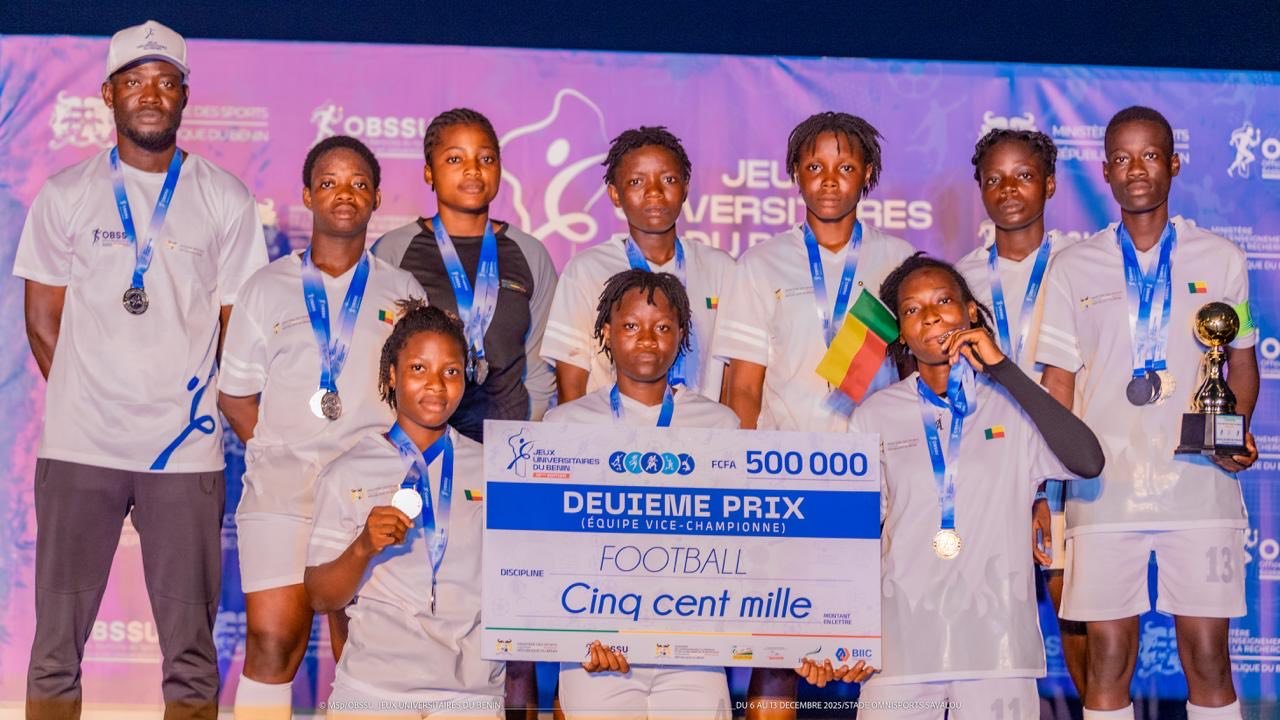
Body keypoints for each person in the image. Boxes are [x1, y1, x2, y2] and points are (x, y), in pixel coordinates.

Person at [13, 20, 268, 719]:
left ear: (185, 95)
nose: (150, 95)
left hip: (184, 451)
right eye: (134, 81)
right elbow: (42, 323)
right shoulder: (65, 193)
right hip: (80, 447)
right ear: (108, 94)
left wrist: (181, 405)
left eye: (165, 81)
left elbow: (238, 327)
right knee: (55, 649)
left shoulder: (224, 197)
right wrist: (93, 398)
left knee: (191, 654)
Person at [1037, 106, 1259, 720]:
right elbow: (1059, 386)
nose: (1137, 169)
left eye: (1151, 155)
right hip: (1104, 490)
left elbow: (1241, 365)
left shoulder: (1222, 258)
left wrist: (1232, 433)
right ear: (1106, 171)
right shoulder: (1072, 266)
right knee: (1108, 658)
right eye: (1123, 158)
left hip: (1198, 485)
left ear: (1174, 164)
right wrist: (1050, 490)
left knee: (1209, 657)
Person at [813, 254, 1104, 719]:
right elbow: (856, 535)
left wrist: (1002, 368)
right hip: (901, 649)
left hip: (998, 651)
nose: (929, 316)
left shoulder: (1013, 406)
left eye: (943, 301)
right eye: (912, 309)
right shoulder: (875, 415)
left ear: (971, 312)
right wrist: (840, 625)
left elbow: (1088, 461)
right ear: (901, 332)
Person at [712, 111, 914, 716]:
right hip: (786, 482)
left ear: (868, 174)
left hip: (878, 479)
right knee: (779, 653)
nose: (830, 180)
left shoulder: (899, 262)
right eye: (815, 166)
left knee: (886, 646)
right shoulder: (760, 264)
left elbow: (915, 378)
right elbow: (743, 388)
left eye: (845, 167)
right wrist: (738, 477)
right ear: (795, 174)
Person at [219, 136, 424, 718]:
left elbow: (414, 400)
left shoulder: (403, 292)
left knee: (363, 654)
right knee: (272, 644)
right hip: (282, 496)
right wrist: (284, 450)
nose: (345, 194)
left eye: (359, 184)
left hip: (369, 496)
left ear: (376, 198)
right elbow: (235, 396)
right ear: (308, 196)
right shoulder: (265, 288)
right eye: (329, 182)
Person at [546, 269, 737, 719]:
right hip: (597, 647)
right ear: (605, 333)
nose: (647, 339)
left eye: (663, 327)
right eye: (631, 325)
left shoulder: (720, 425)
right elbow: (550, 547)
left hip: (693, 647)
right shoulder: (564, 426)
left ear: (682, 335)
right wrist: (579, 634)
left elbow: (734, 541)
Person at [305, 301, 504, 718]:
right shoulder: (347, 471)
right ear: (392, 375)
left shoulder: (495, 468)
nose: (436, 384)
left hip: (469, 694)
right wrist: (363, 547)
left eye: (451, 371)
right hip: (375, 690)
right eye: (418, 368)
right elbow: (321, 596)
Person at [953, 128, 1087, 694]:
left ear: (1050, 184)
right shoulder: (960, 280)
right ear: (980, 189)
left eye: (1024, 176)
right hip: (989, 473)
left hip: (1067, 474)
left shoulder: (1083, 266)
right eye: (994, 179)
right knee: (986, 620)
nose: (1008, 189)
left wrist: (1046, 489)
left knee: (1078, 618)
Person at [373, 107, 558, 444]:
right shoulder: (393, 251)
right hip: (420, 447)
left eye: (486, 159)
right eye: (455, 159)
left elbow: (540, 366)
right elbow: (379, 359)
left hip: (509, 448)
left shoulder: (530, 253)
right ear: (429, 172)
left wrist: (524, 440)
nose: (473, 169)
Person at [542, 126, 734, 404]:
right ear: (614, 194)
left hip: (699, 428)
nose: (654, 191)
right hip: (609, 428)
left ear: (685, 188)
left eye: (668, 179)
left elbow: (731, 375)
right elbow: (571, 384)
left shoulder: (721, 269)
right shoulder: (586, 270)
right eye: (636, 182)